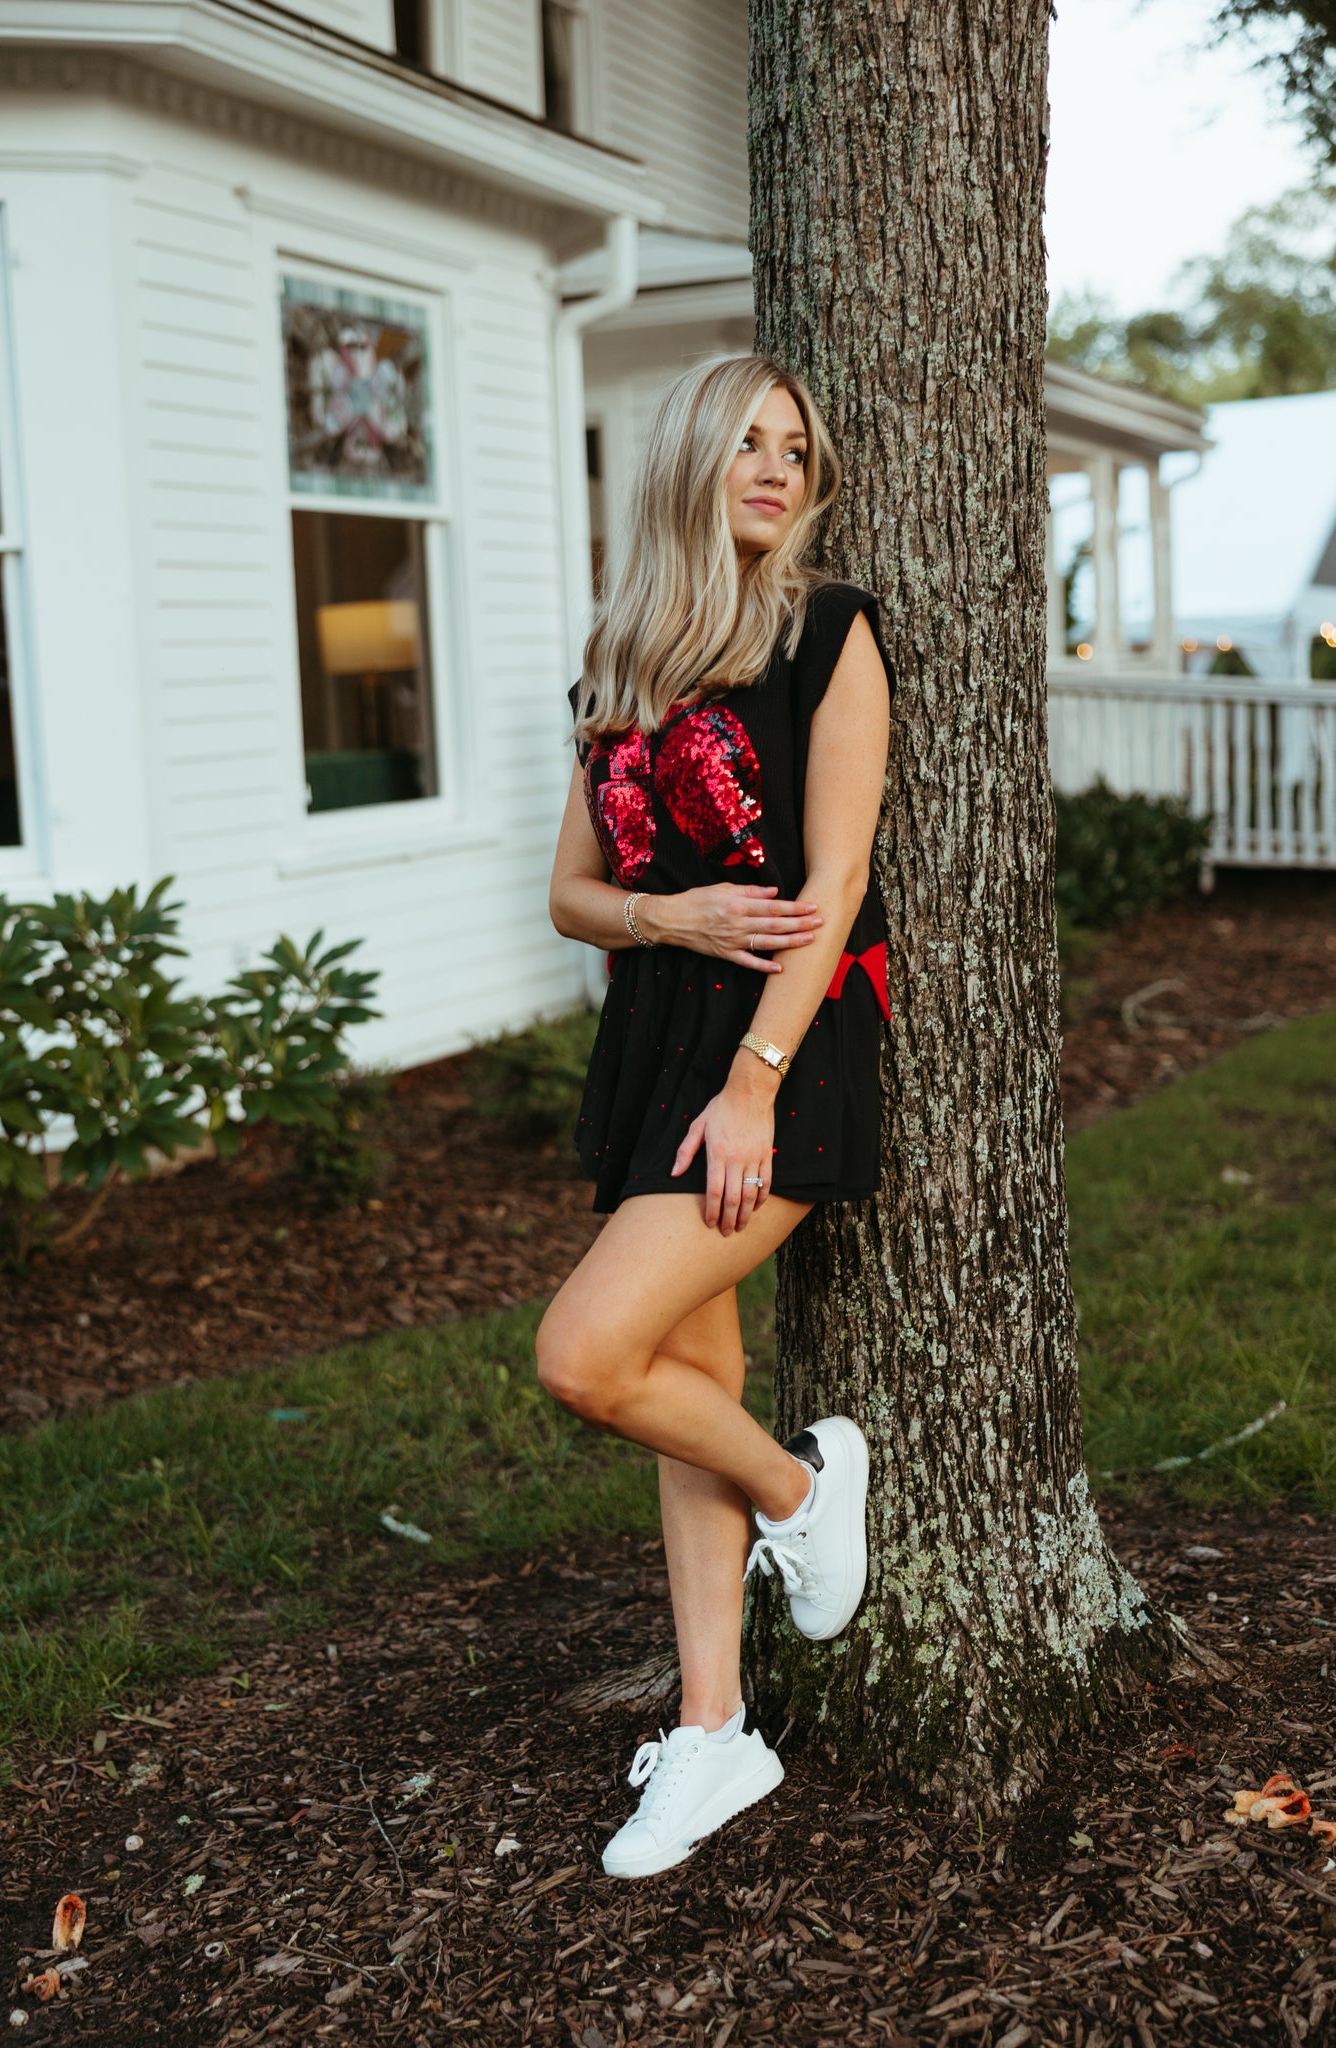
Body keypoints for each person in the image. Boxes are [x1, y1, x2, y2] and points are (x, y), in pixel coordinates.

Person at [539, 353, 893, 1879]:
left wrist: (754, 1079)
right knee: (680, 1374)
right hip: (653, 1037)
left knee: (584, 1355)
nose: (773, 468)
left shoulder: (829, 631)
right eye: (745, 442)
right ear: (690, 456)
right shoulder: (619, 661)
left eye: (793, 449)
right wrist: (668, 922)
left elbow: (832, 888)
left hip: (781, 1047)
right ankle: (711, 1733)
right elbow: (569, 899)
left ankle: (805, 1490)